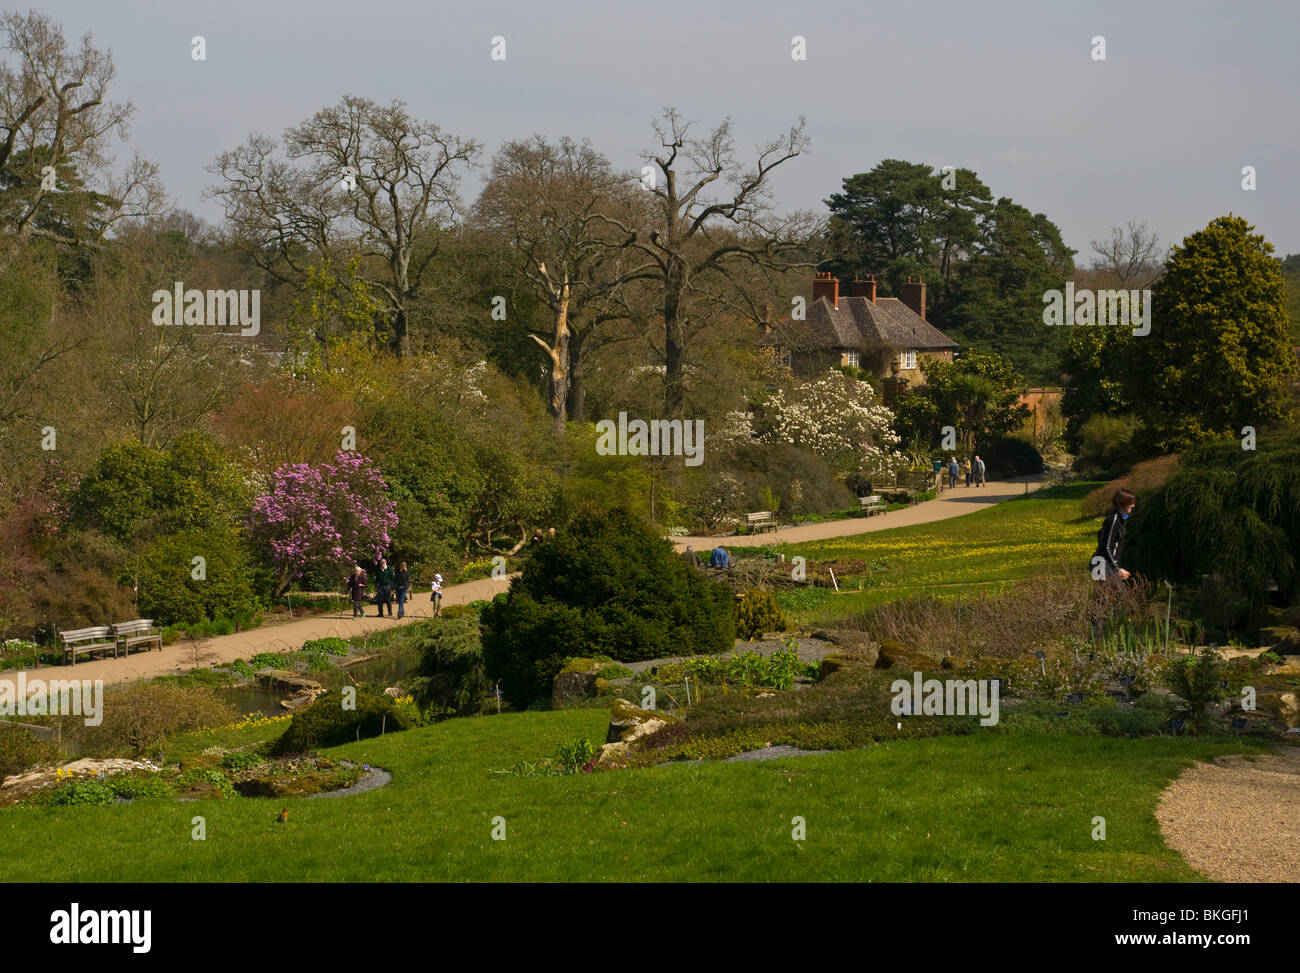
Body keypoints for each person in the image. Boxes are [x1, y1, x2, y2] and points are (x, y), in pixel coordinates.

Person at [1093, 488, 1135, 583]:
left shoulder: (1120, 519)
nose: (1133, 505)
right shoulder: (1113, 519)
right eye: (1131, 503)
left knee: (1110, 596)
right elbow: (1105, 546)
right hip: (1100, 563)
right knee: (1111, 596)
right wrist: (1117, 569)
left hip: (1107, 564)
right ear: (1122, 503)